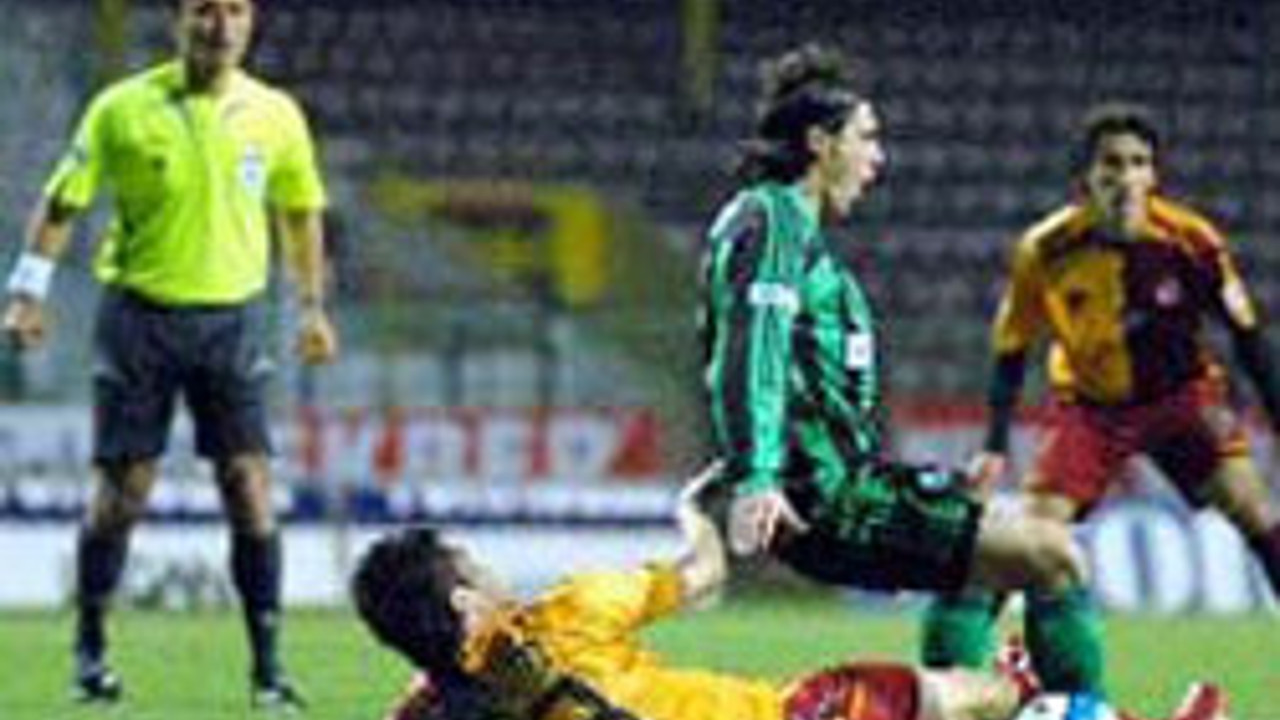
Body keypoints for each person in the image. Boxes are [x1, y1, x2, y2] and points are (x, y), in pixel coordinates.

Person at [696, 44, 1107, 698]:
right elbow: (754, 348)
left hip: (844, 482)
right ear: (820, 142)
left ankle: (970, 703)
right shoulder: (773, 221)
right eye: (866, 137)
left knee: (987, 562)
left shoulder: (776, 225)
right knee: (1054, 559)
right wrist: (757, 476)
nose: (877, 158)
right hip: (825, 500)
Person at [1, 0, 336, 707]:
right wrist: (27, 292)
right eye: (205, 11)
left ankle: (268, 671)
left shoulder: (275, 115)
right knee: (124, 491)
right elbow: (62, 204)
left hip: (233, 321)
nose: (221, 25)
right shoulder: (121, 109)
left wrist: (311, 306)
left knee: (248, 483)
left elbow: (301, 212)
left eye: (235, 10)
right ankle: (90, 652)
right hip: (139, 318)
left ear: (251, 22)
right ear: (179, 22)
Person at [350, 471, 1228, 720]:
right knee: (986, 693)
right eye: (475, 568)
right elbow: (703, 576)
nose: (493, 575)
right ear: (464, 604)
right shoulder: (570, 612)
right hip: (798, 716)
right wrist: (692, 511)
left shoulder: (431, 709)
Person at [921, 103, 1280, 672]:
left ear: (1154, 175)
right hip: (1091, 412)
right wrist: (993, 443)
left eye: (1139, 163)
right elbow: (1011, 348)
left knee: (1257, 513)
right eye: (1111, 164)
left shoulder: (1192, 241)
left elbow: (1248, 336)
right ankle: (958, 669)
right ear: (1085, 177)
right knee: (1030, 541)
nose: (1126, 177)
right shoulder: (1045, 249)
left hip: (1182, 402)